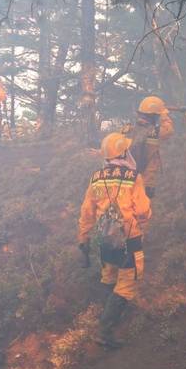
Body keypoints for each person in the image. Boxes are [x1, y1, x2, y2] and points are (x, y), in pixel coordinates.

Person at [78, 132, 152, 348]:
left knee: (109, 274)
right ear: (125, 152)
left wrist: (83, 237)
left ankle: (108, 310)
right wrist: (145, 219)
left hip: (105, 238)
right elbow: (143, 210)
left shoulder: (96, 178)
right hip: (129, 239)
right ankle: (105, 330)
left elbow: (87, 211)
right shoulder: (134, 178)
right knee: (128, 282)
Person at [121, 95, 174, 198]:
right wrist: (164, 115)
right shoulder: (156, 131)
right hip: (146, 180)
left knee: (127, 207)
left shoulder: (127, 129)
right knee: (143, 208)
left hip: (126, 177)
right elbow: (169, 130)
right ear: (155, 116)